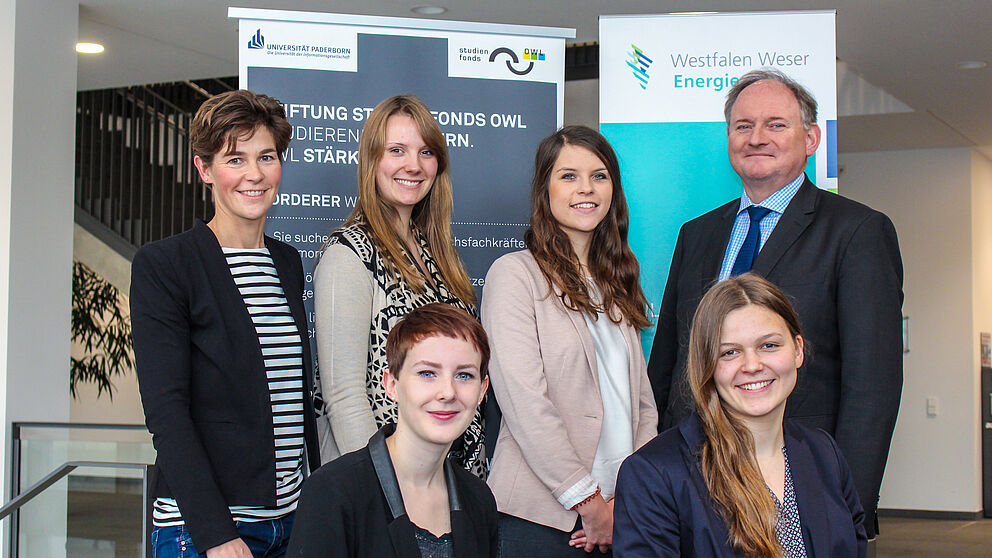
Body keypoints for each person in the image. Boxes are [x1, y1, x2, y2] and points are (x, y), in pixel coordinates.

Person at [647, 68, 903, 538]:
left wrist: (847, 509)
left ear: (811, 138)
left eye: (775, 124)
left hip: (801, 486)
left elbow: (874, 386)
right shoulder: (697, 234)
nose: (756, 137)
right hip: (691, 480)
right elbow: (668, 362)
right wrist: (654, 477)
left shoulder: (857, 232)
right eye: (743, 126)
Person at [130, 89, 320, 558]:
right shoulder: (166, 264)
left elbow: (291, 392)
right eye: (235, 159)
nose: (254, 175)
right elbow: (167, 413)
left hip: (291, 522)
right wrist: (215, 533)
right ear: (204, 169)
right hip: (206, 531)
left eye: (267, 157)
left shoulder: (287, 262)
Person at [482, 125, 658, 556]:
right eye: (568, 176)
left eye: (599, 176)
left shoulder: (615, 282)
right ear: (544, 190)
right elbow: (525, 404)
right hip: (540, 519)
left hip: (622, 515)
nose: (587, 189)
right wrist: (589, 502)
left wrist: (627, 501)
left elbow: (642, 408)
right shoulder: (515, 275)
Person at [615, 274, 867, 557]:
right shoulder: (653, 473)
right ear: (706, 365)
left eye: (768, 345)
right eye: (730, 352)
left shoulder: (824, 453)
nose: (752, 365)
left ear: (798, 349)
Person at [312, 94, 484, 477]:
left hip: (452, 484)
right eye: (397, 150)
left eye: (426, 152)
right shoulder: (349, 254)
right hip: (390, 493)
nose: (413, 165)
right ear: (372, 160)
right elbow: (344, 398)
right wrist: (392, 493)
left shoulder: (440, 257)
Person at [287, 303, 498, 558]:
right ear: (391, 384)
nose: (448, 392)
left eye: (464, 375)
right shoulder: (332, 492)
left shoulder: (479, 499)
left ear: (482, 390)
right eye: (427, 373)